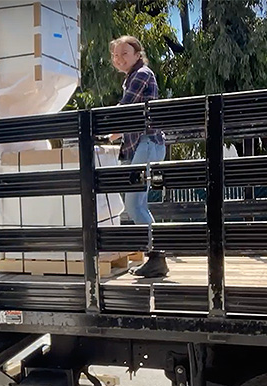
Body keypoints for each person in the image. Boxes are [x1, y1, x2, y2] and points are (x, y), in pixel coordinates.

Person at [108, 35, 169, 278]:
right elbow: (129, 114)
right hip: (142, 145)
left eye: (124, 53)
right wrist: (114, 131)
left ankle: (157, 257)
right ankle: (156, 258)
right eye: (115, 55)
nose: (119, 58)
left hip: (147, 143)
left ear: (137, 54)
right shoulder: (131, 78)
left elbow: (125, 107)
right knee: (137, 204)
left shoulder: (142, 74)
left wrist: (102, 127)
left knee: (134, 204)